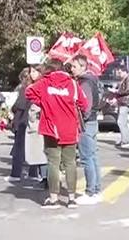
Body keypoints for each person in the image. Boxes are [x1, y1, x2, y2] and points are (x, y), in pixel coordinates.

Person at [25, 58, 88, 208]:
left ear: (49, 69)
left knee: (53, 163)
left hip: (51, 128)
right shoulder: (72, 83)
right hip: (70, 129)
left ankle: (54, 199)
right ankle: (72, 198)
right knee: (70, 163)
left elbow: (29, 92)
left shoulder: (44, 82)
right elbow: (84, 104)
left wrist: (43, 102)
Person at [72, 56, 103, 205]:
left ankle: (90, 191)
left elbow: (86, 105)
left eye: (75, 66)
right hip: (92, 121)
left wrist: (81, 118)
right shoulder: (92, 80)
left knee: (87, 158)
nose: (72, 69)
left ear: (83, 67)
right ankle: (96, 190)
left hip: (86, 123)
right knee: (93, 156)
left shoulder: (84, 83)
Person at [8, 66, 38, 181]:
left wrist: (12, 108)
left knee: (18, 148)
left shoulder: (25, 89)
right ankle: (33, 173)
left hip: (22, 120)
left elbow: (19, 105)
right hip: (32, 120)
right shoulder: (37, 87)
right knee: (34, 147)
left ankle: (15, 174)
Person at [112, 66, 129, 149]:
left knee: (121, 122)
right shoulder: (123, 80)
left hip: (125, 102)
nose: (119, 74)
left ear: (125, 72)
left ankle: (125, 140)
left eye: (120, 72)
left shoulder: (128, 80)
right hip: (122, 102)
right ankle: (124, 138)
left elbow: (128, 90)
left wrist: (117, 91)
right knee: (125, 122)